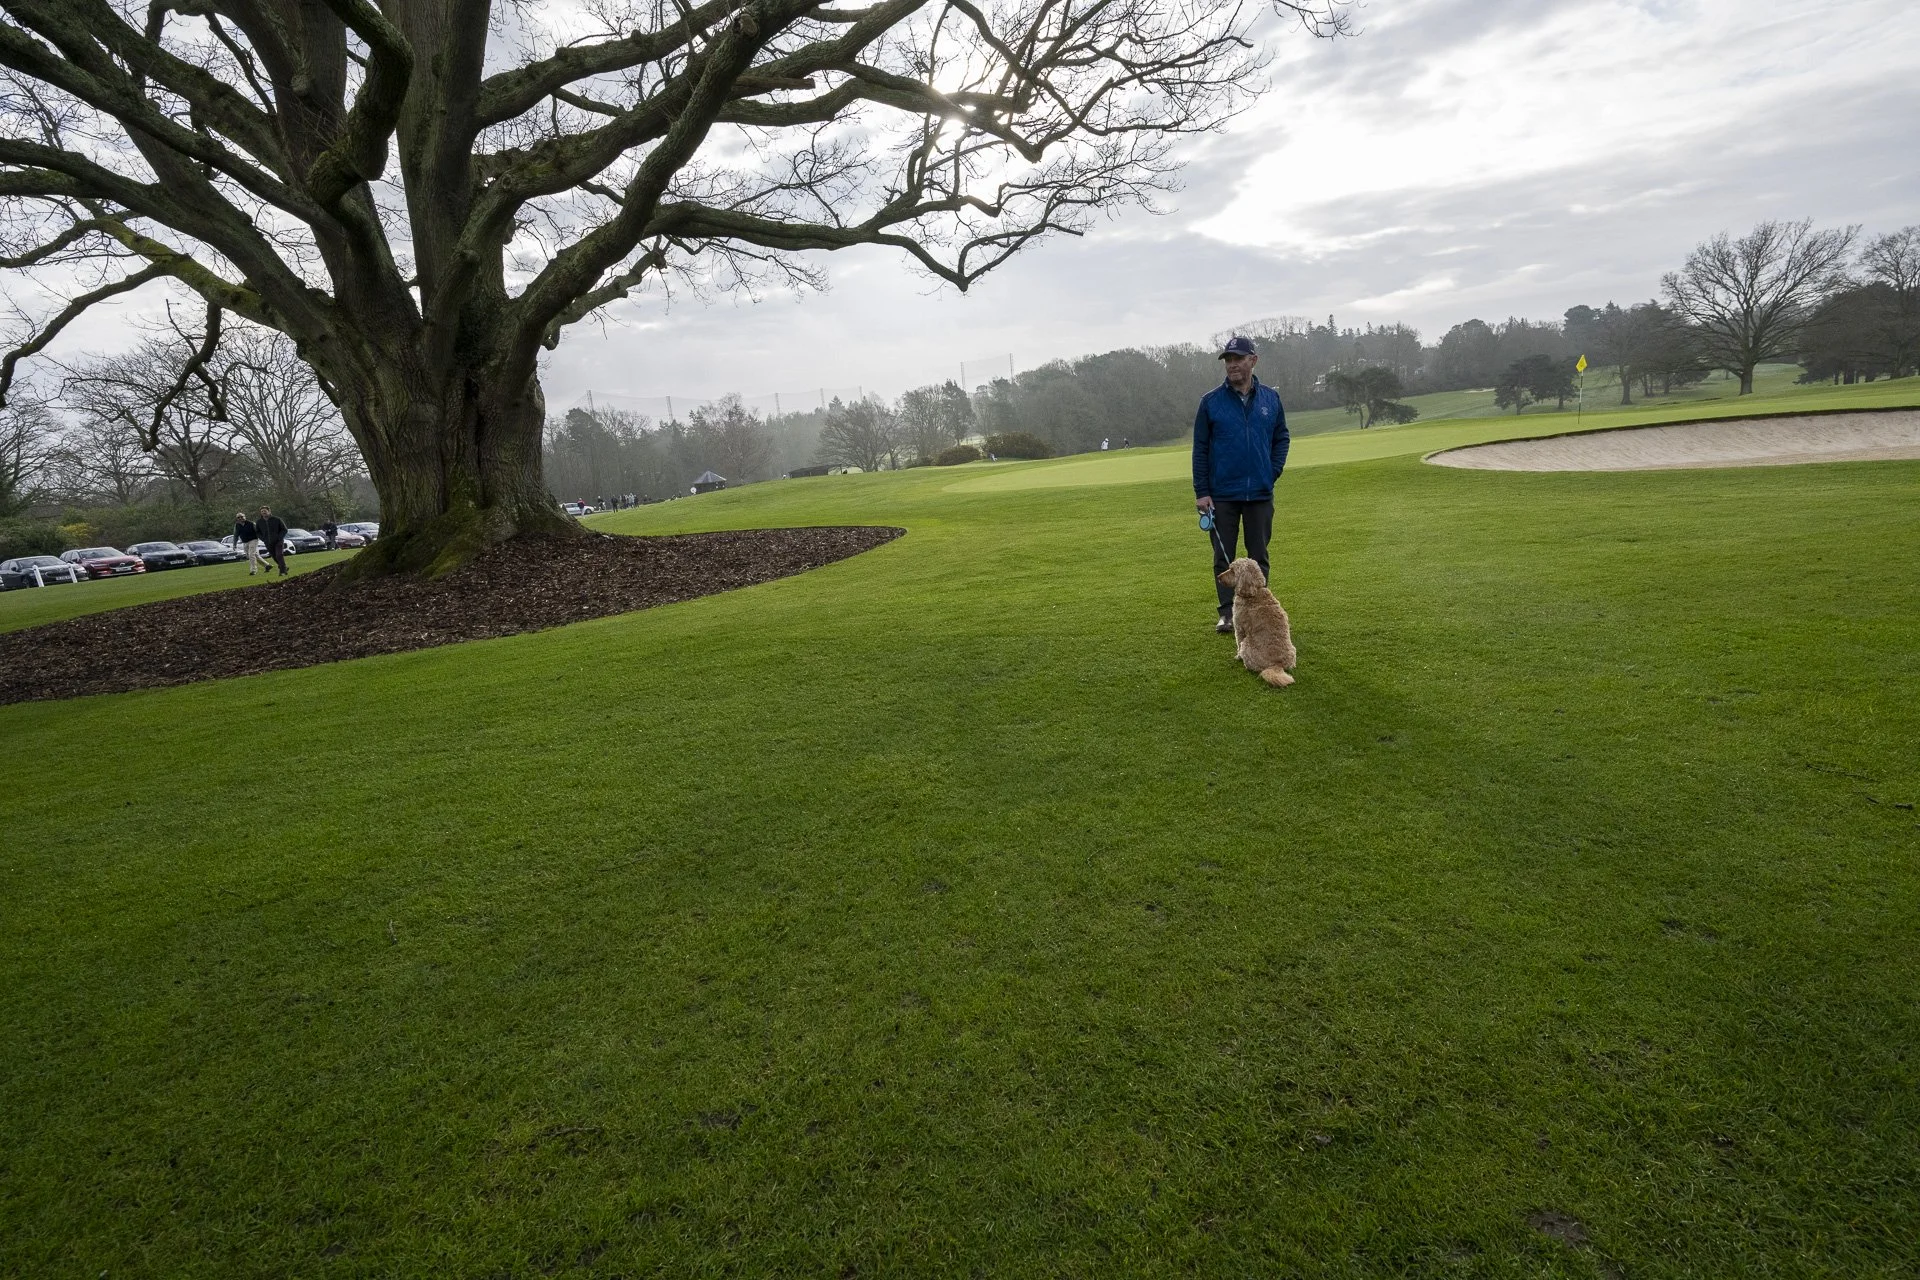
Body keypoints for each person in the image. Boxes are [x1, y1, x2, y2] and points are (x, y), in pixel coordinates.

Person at [1192, 334, 1289, 634]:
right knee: (1224, 557)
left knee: (1258, 556)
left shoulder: (1271, 399)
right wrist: (1202, 492)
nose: (1232, 365)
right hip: (1222, 495)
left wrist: (1271, 471)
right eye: (1228, 360)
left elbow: (1281, 438)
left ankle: (1258, 611)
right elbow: (1201, 449)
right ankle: (1228, 614)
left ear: (1253, 361)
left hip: (1260, 492)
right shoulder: (1210, 403)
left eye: (1238, 359)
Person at [257, 505, 289, 577]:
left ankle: (282, 571)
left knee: (279, 555)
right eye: (262, 511)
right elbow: (257, 532)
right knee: (274, 557)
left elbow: (284, 530)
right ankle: (284, 567)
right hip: (268, 542)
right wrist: (263, 539)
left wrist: (279, 537)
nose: (263, 512)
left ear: (269, 511)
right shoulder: (259, 522)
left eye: (265, 511)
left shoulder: (277, 519)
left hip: (278, 541)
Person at [234, 510, 262, 575]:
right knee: (252, 555)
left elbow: (258, 532)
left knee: (251, 554)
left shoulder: (252, 523)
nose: (240, 518)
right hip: (245, 542)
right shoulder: (237, 525)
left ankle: (253, 570)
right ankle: (267, 565)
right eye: (238, 517)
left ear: (245, 517)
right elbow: (235, 535)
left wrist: (263, 538)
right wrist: (234, 545)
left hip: (253, 540)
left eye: (241, 517)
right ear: (237, 519)